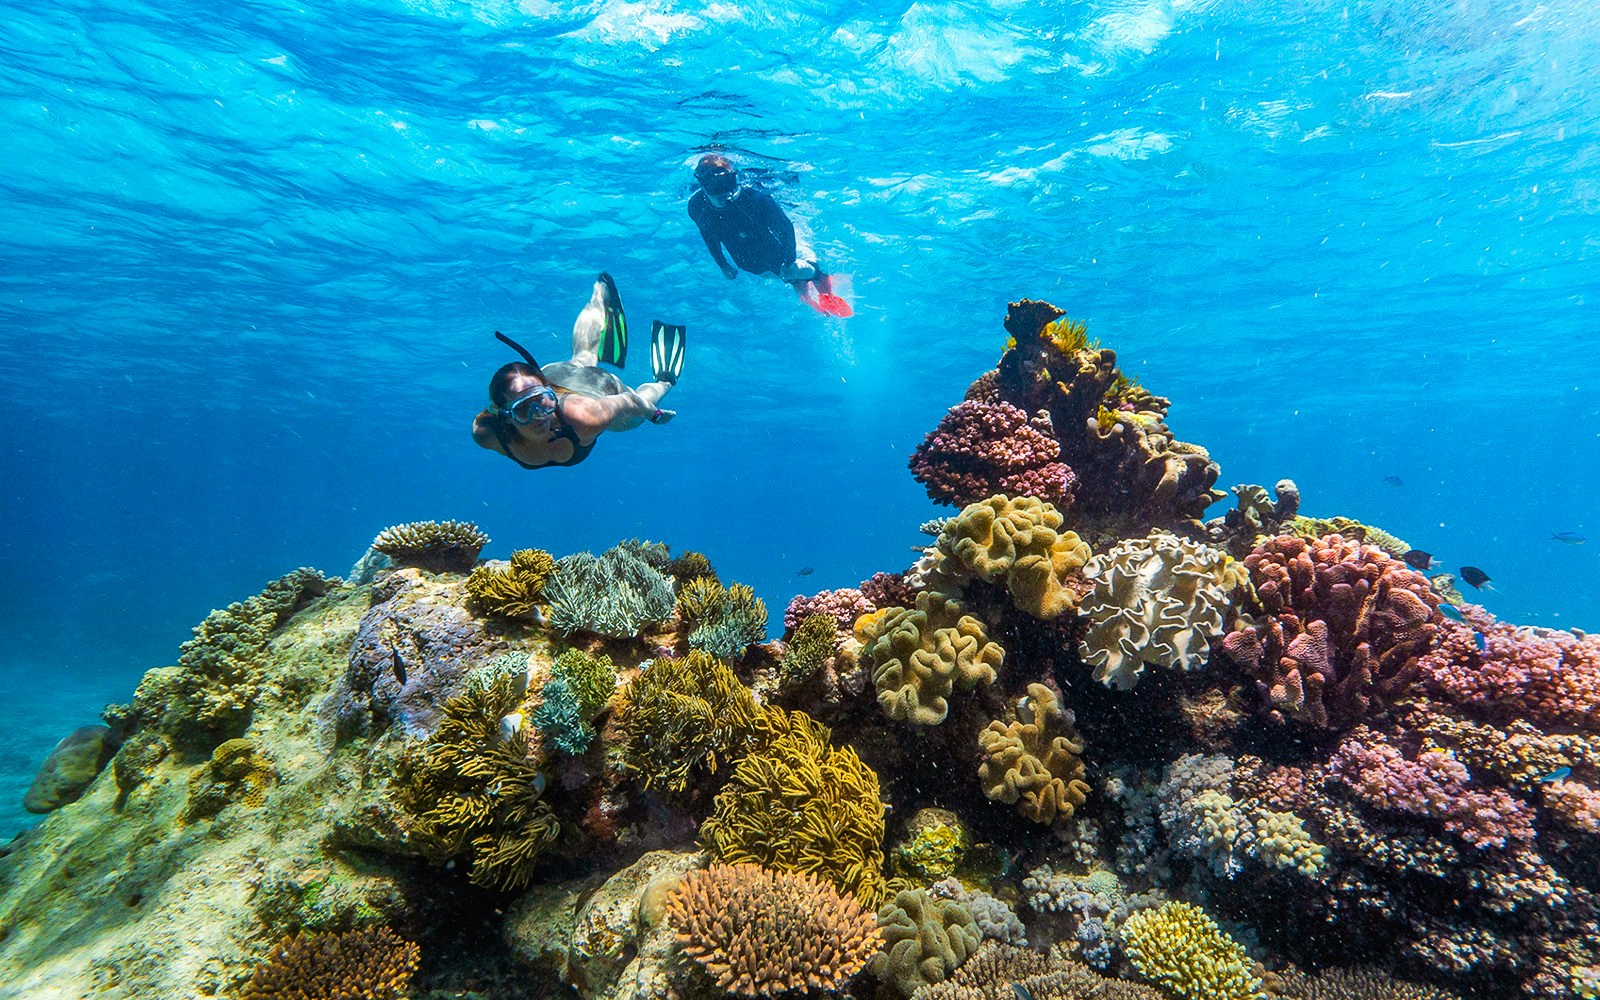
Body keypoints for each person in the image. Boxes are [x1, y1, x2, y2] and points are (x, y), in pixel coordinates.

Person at [471, 273, 685, 469]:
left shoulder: (584, 417)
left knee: (632, 420)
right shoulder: (488, 435)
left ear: (548, 392)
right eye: (523, 409)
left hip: (596, 386)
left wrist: (654, 415)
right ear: (506, 416)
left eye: (542, 400)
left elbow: (629, 400)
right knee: (582, 358)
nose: (538, 415)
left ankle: (664, 381)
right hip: (554, 374)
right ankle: (598, 294)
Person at [687, 153, 837, 304]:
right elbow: (708, 235)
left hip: (772, 247)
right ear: (703, 185)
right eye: (715, 186)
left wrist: (790, 260)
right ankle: (799, 283)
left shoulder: (756, 199)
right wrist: (723, 265)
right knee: (774, 274)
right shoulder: (697, 207)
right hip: (748, 262)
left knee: (793, 270)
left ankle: (818, 276)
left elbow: (785, 227)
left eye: (728, 183)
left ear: (734, 179)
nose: (724, 192)